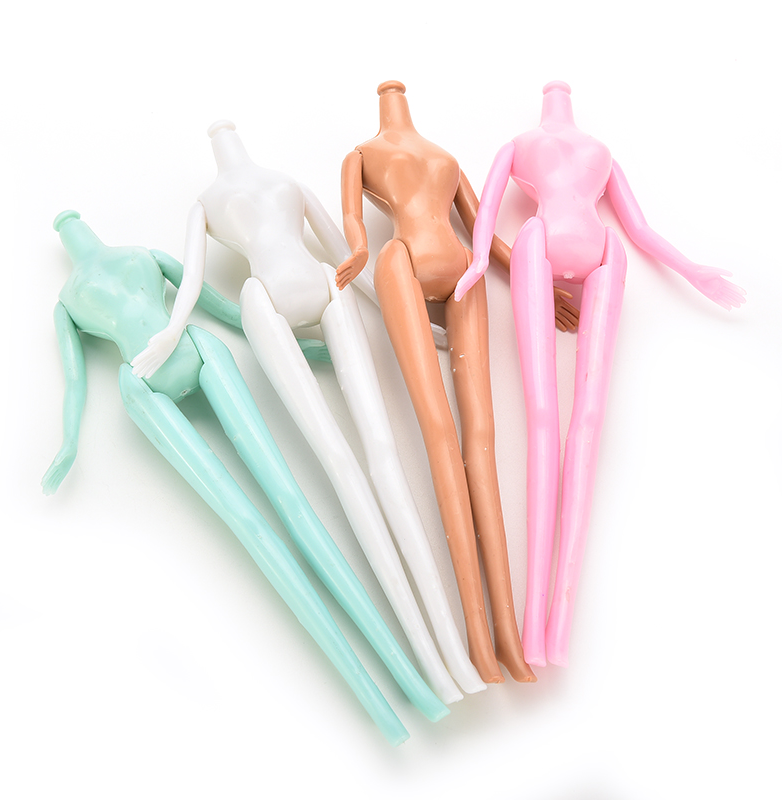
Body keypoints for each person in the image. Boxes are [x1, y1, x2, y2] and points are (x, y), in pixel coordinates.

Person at [43, 210, 449, 745]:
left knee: (287, 498)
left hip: (196, 350)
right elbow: (76, 379)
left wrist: (302, 349)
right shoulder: (77, 297)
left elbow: (220, 309)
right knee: (247, 521)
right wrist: (68, 442)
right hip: (144, 382)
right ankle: (386, 701)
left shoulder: (136, 261)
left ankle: (413, 685)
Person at [131, 123, 482, 702]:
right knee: (336, 458)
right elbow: (190, 279)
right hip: (262, 299)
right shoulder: (208, 203)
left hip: (328, 284)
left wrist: (418, 325)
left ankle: (451, 654)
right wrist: (172, 331)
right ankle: (433, 664)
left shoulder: (283, 184)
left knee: (381, 448)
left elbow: (345, 257)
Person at [455, 81, 746, 668]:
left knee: (572, 417)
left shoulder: (546, 147)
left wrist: (695, 270)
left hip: (577, 248)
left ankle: (550, 632)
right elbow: (634, 230)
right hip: (578, 246)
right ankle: (541, 631)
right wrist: (478, 261)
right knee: (557, 415)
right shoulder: (576, 149)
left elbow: (492, 217)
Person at [339, 81, 578, 683]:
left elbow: (482, 231)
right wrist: (358, 253)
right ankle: (478, 640)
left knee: (482, 436)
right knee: (439, 430)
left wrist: (534, 282)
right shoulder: (361, 155)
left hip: (464, 272)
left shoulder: (444, 157)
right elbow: (355, 225)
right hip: (401, 262)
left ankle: (507, 638)